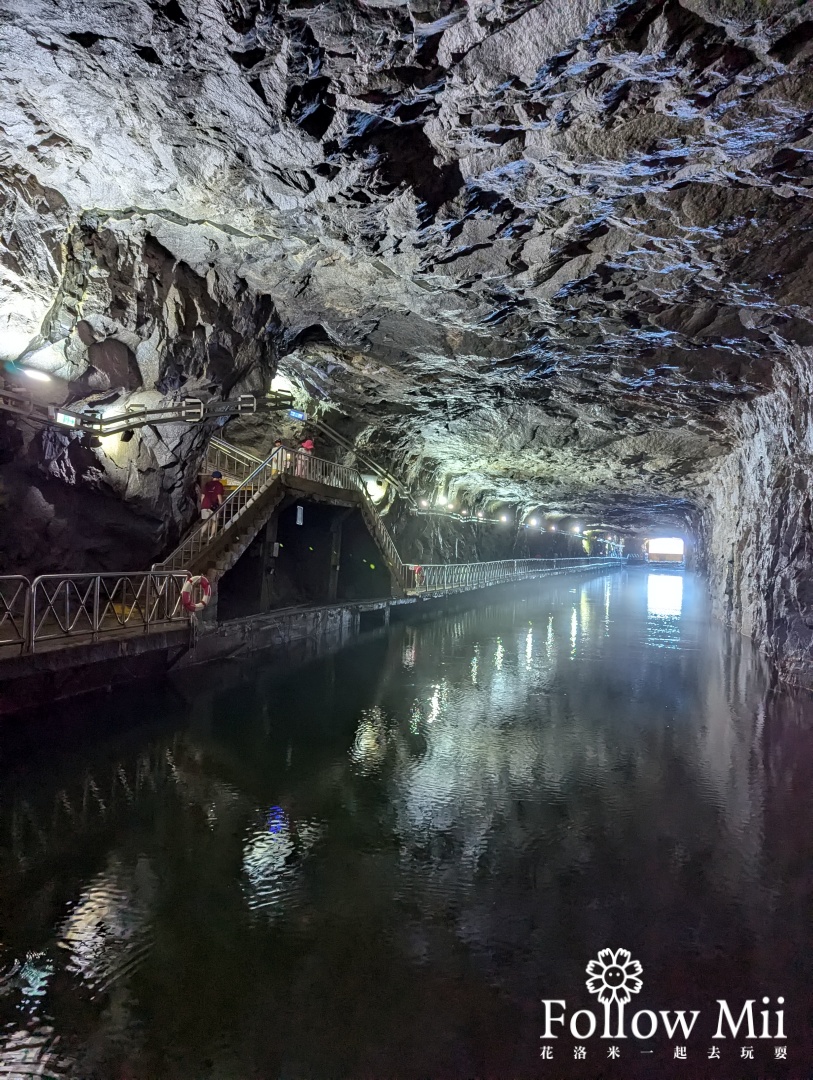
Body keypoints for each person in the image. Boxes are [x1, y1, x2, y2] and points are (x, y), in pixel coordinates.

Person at [200, 469, 225, 539]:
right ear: (219, 478)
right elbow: (218, 495)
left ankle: (201, 534)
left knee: (206, 522)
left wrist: (202, 505)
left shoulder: (207, 484)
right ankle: (211, 536)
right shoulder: (219, 485)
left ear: (212, 477)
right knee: (215, 521)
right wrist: (221, 504)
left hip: (205, 505)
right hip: (213, 506)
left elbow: (202, 496)